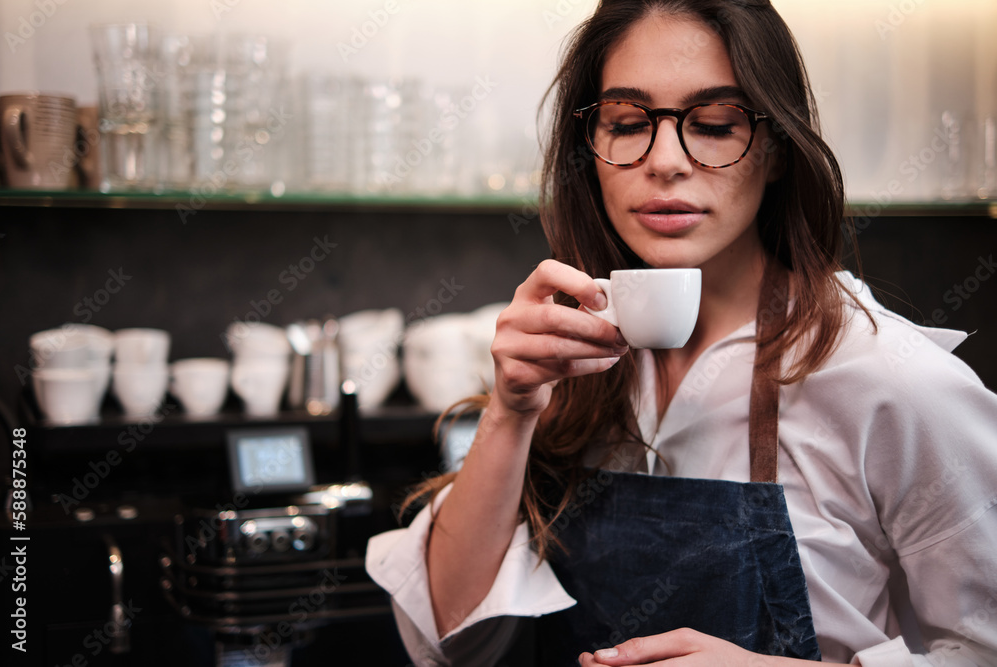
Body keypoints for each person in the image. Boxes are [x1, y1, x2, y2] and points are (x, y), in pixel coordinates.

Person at [367, 0, 997, 665]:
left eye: (717, 124)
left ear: (778, 148)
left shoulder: (892, 377)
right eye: (628, 122)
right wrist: (511, 409)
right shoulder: (570, 357)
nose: (664, 160)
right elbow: (446, 641)